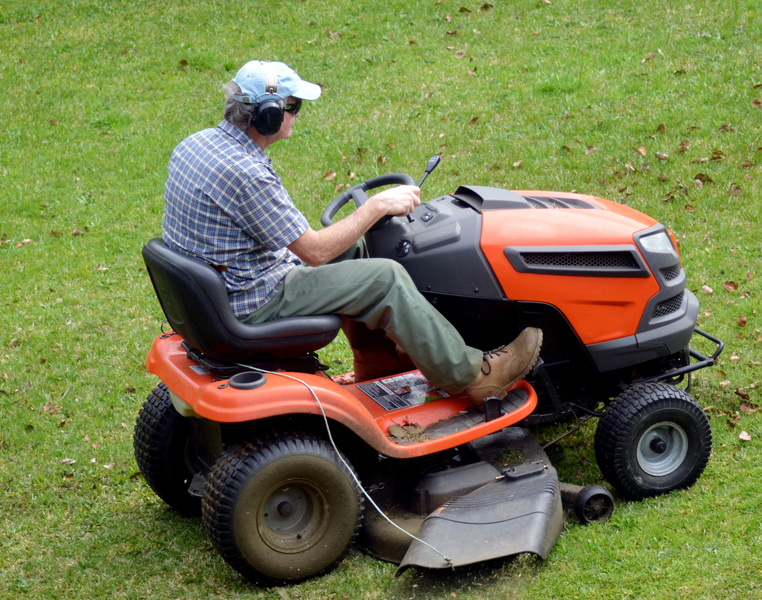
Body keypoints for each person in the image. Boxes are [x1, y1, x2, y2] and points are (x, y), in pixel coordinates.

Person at [161, 60, 541, 406]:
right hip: (254, 299)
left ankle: (377, 364)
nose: (297, 115)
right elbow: (314, 252)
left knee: (360, 250)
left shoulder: (196, 144)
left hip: (227, 284)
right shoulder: (247, 174)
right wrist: (377, 206)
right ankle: (471, 376)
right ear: (268, 115)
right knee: (385, 277)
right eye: (293, 106)